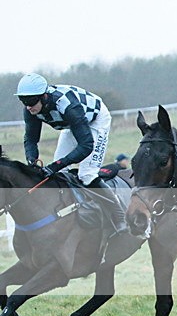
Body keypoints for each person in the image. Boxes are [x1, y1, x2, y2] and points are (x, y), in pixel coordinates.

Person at [14, 73, 127, 233]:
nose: (28, 106)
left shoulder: (66, 104)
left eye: (31, 101)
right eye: (23, 101)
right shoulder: (30, 110)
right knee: (58, 174)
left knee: (87, 175)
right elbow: (31, 139)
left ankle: (119, 216)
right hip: (71, 124)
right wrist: (32, 161)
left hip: (95, 120)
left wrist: (55, 165)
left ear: (44, 96)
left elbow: (86, 146)